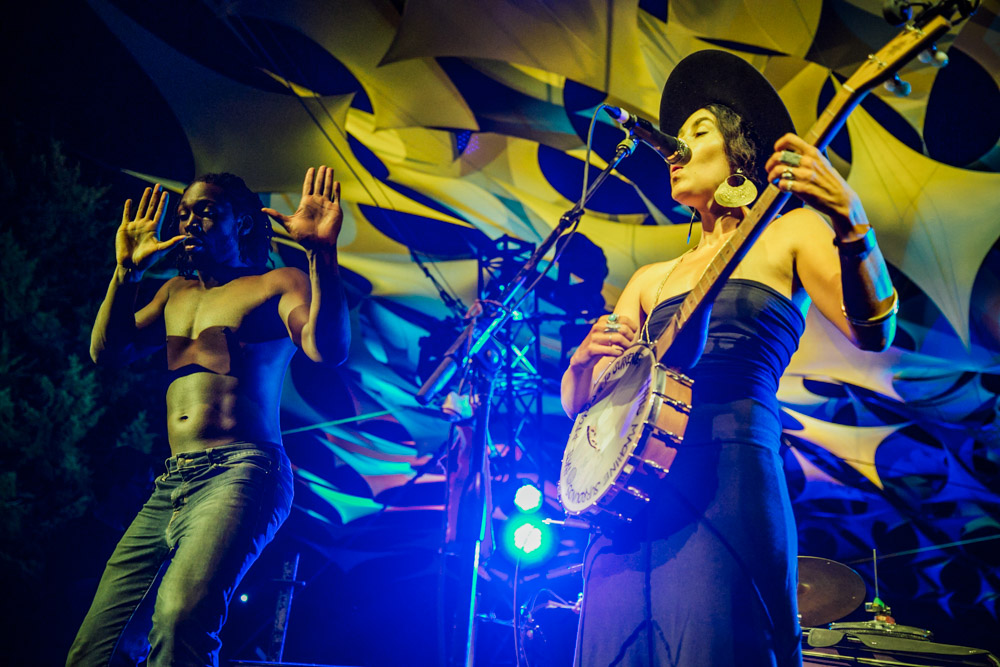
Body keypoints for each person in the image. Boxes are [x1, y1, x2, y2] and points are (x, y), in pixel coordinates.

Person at [560, 50, 896, 666]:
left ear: (738, 154)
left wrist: (852, 226)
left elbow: (873, 331)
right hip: (631, 501)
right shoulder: (648, 278)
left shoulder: (790, 234)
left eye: (697, 131)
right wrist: (582, 363)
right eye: (675, 138)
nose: (675, 147)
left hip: (729, 477)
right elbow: (584, 406)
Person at [67, 166, 350, 666]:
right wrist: (125, 272)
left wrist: (320, 255)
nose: (190, 221)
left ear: (241, 223)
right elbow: (106, 352)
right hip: (170, 484)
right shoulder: (174, 293)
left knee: (179, 620)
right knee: (98, 647)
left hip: (244, 472)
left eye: (206, 211)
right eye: (184, 213)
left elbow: (327, 349)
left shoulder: (275, 283)